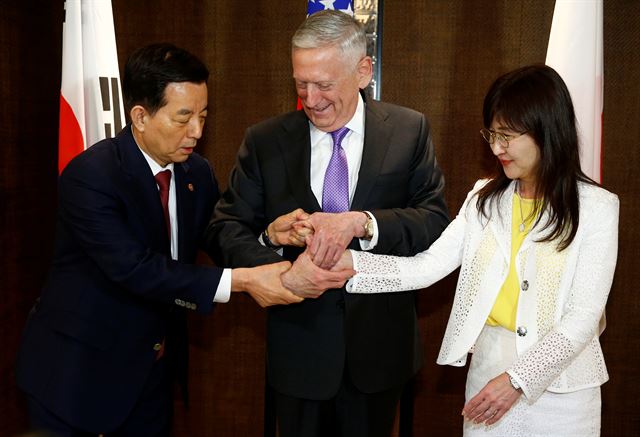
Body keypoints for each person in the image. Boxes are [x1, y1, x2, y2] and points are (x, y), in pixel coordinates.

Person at [15, 43, 302, 437]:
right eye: (183, 117)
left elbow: (214, 231)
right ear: (140, 116)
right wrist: (241, 282)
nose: (198, 132)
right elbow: (134, 268)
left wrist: (268, 235)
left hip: (150, 370)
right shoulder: (92, 176)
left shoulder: (194, 172)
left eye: (203, 116)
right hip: (78, 373)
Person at [329, 64, 619, 436]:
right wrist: (351, 263)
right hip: (487, 377)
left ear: (547, 131)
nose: (496, 148)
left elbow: (583, 316)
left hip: (562, 388)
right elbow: (427, 267)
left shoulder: (596, 207)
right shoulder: (484, 200)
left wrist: (517, 380)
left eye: (508, 136)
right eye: (492, 134)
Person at [205, 9, 449, 437]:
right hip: (298, 354)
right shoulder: (264, 141)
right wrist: (273, 247)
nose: (311, 99)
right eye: (301, 83)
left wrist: (363, 223)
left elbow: (433, 220)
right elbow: (224, 229)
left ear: (362, 71)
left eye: (324, 85)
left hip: (380, 353)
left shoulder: (409, 131)